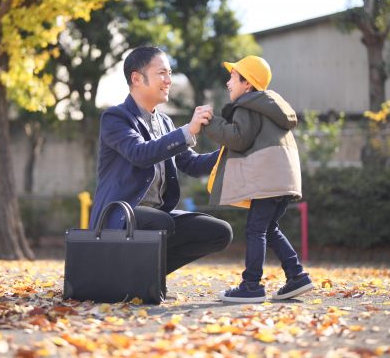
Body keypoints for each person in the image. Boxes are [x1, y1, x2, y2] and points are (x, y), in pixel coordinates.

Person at [89, 46, 233, 275]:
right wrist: (188, 130)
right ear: (136, 78)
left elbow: (192, 165)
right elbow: (140, 154)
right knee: (161, 223)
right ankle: (124, 273)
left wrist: (232, 152)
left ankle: (146, 275)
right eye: (162, 73)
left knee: (219, 232)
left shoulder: (165, 122)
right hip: (120, 216)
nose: (169, 80)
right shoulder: (116, 117)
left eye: (170, 73)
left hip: (155, 219)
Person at [202, 55, 315, 303]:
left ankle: (251, 284)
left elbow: (238, 138)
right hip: (286, 178)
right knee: (268, 228)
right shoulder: (271, 106)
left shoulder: (247, 105)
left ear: (248, 84)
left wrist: (209, 124)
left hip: (268, 178)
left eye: (233, 77)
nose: (229, 83)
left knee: (255, 229)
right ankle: (297, 275)